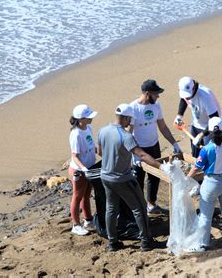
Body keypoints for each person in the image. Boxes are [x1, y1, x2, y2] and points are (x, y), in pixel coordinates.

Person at [97, 103, 163, 252]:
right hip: (122, 178)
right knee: (139, 208)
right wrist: (161, 167)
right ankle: (146, 241)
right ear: (125, 118)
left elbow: (100, 152)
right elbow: (142, 154)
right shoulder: (126, 136)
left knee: (111, 208)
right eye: (130, 119)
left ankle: (113, 243)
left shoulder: (102, 131)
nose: (130, 123)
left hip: (105, 177)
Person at [129, 79, 182, 215]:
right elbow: (128, 133)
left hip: (153, 145)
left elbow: (163, 127)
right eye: (156, 93)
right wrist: (133, 153)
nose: (158, 96)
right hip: (139, 149)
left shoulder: (156, 105)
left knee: (155, 177)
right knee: (138, 180)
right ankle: (140, 209)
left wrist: (174, 143)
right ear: (147, 93)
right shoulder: (133, 108)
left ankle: (151, 205)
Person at [187, 117, 222, 252]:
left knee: (205, 214)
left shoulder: (207, 149)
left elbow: (196, 168)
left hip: (212, 183)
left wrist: (186, 179)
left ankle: (203, 244)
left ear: (208, 131)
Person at [67, 104, 98, 235]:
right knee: (77, 196)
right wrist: (84, 169)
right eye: (88, 117)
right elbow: (75, 156)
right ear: (81, 119)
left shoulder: (88, 128)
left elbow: (93, 147)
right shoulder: (76, 134)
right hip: (79, 171)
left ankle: (88, 220)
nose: (91, 119)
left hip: (89, 168)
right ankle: (76, 225)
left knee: (86, 195)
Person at [174, 76, 221, 157]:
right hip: (196, 123)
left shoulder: (205, 97)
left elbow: (215, 120)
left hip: (210, 127)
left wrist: (201, 135)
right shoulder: (187, 94)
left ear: (194, 88)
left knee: (209, 153)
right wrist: (179, 116)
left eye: (188, 95)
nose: (187, 98)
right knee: (195, 151)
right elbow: (184, 99)